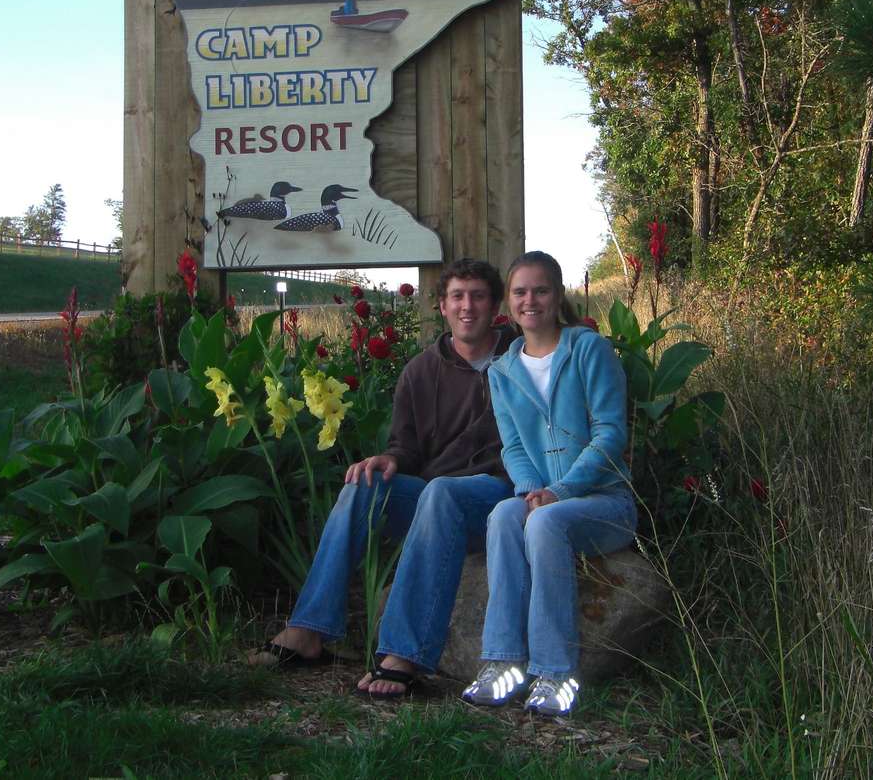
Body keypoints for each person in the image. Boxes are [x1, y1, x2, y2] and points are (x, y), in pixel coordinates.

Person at [250, 257, 518, 697]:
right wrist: (389, 459)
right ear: (443, 306)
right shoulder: (420, 372)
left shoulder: (520, 357)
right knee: (364, 485)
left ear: (495, 306)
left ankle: (404, 654)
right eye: (457, 297)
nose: (467, 306)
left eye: (478, 296)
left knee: (442, 493)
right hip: (433, 500)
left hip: (495, 498)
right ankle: (308, 630)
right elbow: (405, 447)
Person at [461, 251, 637, 717]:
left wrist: (559, 492)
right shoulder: (502, 371)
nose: (530, 300)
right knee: (504, 514)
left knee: (544, 523)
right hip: (544, 495)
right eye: (520, 292)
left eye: (540, 290)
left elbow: (610, 434)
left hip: (604, 502)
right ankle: (503, 662)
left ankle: (557, 673)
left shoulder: (588, 350)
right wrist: (531, 491)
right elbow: (514, 447)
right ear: (508, 302)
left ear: (558, 296)